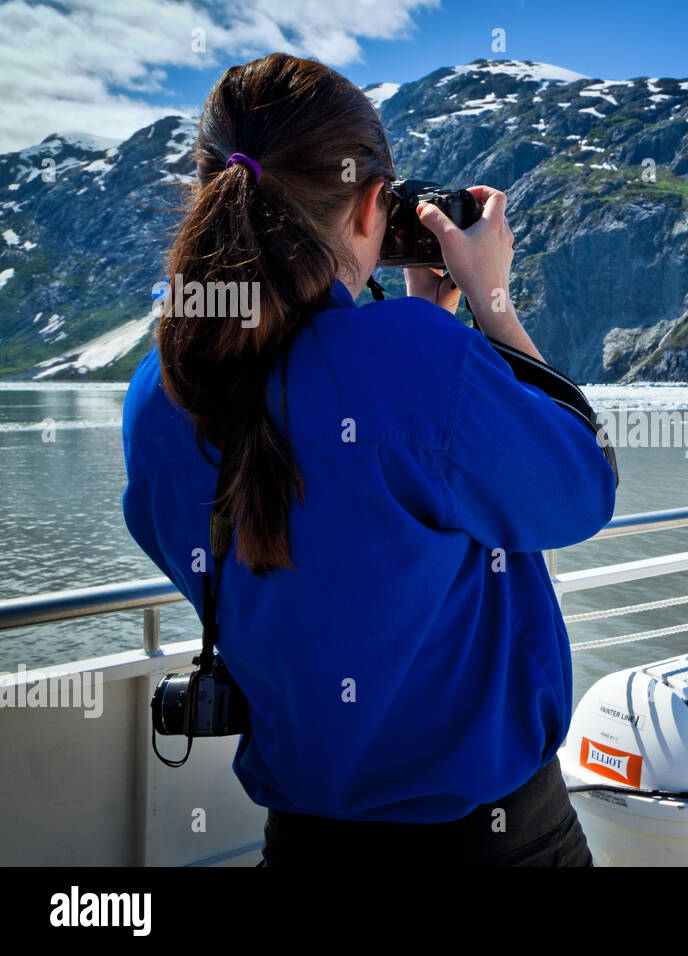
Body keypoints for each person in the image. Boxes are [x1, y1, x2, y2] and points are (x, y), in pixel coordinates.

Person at [120, 54, 617, 865]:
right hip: (490, 843)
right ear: (371, 208)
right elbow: (583, 486)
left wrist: (425, 328)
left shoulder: (161, 391)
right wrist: (486, 305)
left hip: (306, 844)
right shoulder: (418, 363)